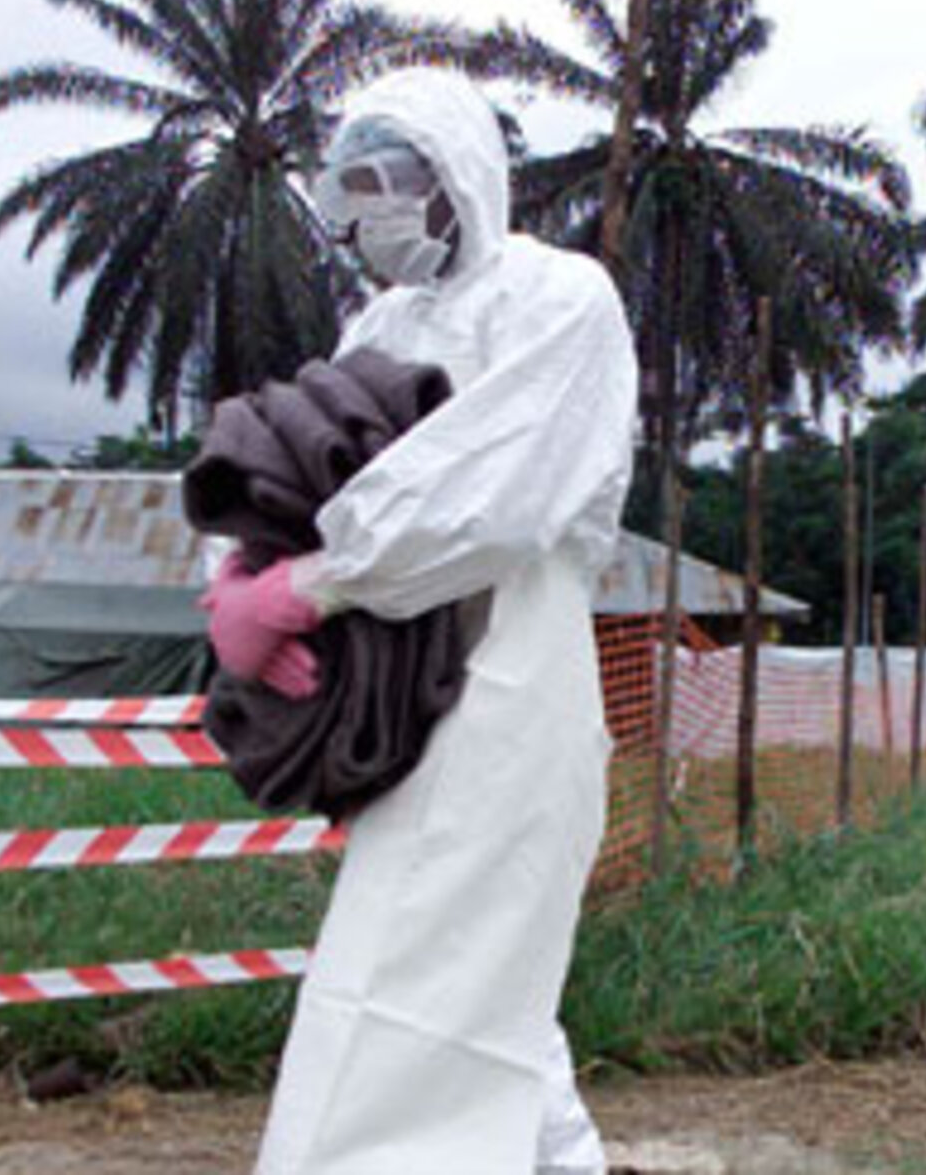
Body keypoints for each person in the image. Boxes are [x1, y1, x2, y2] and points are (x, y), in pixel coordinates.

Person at [203, 67, 637, 1174]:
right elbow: (302, 460)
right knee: (484, 995)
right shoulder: (385, 320)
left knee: (415, 988)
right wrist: (237, 575)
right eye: (351, 186)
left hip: (509, 679)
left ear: (461, 172)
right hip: (403, 681)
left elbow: (489, 496)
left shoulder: (558, 299)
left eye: (393, 177)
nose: (370, 208)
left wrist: (307, 588)